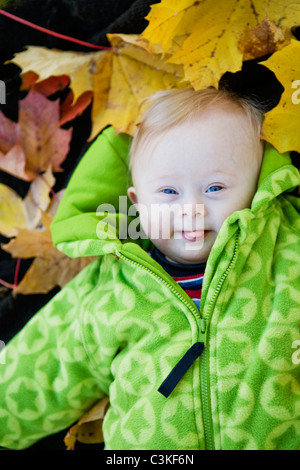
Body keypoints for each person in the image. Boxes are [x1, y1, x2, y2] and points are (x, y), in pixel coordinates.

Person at [0, 88, 299, 450]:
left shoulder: (289, 251)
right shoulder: (110, 289)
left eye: (215, 187)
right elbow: (42, 369)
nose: (191, 208)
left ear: (256, 188)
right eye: (169, 192)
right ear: (137, 205)